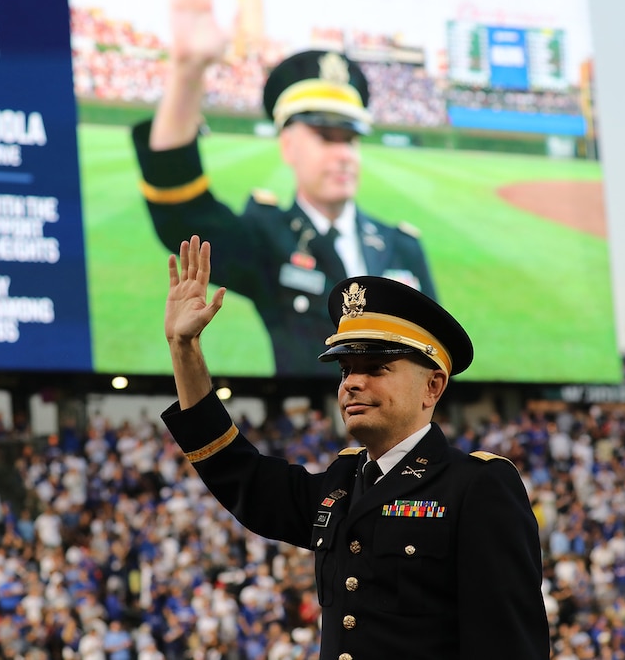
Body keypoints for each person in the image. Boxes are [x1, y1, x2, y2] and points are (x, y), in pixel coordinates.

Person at [160, 235, 549, 659]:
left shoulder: (477, 486)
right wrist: (184, 349)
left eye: (376, 367)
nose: (352, 383)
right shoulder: (343, 481)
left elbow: (510, 646)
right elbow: (240, 474)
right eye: (346, 369)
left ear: (432, 386)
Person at [132, 0, 435, 376]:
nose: (343, 152)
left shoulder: (403, 246)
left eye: (350, 138)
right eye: (325, 136)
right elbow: (181, 214)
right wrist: (187, 70)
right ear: (288, 145)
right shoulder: (268, 237)